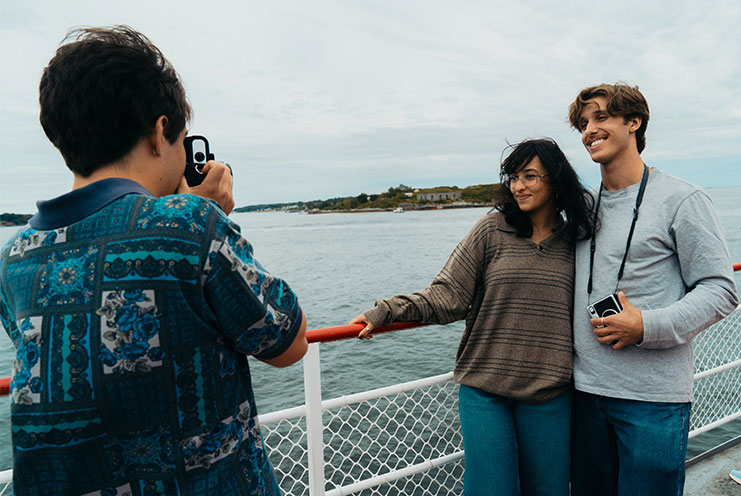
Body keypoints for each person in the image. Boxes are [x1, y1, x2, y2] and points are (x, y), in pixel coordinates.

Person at [0, 26, 307, 495]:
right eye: (184, 139)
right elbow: (289, 343)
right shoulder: (189, 226)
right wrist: (208, 213)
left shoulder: (14, 257)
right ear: (161, 132)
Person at [350, 138, 594, 496]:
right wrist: (387, 310)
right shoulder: (492, 229)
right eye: (512, 177)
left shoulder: (578, 241)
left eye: (529, 176)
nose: (518, 186)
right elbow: (449, 295)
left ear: (556, 180)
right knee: (492, 490)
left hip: (549, 392)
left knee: (551, 490)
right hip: (486, 390)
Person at [567, 83, 738, 496]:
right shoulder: (582, 207)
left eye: (601, 117)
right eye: (584, 123)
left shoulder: (682, 198)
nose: (589, 130)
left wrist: (646, 325)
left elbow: (720, 288)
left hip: (652, 401)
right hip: (583, 394)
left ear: (634, 122)